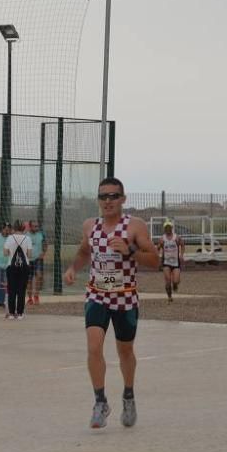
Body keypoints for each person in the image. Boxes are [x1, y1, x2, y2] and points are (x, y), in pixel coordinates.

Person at [63, 178, 160, 429]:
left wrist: (130, 251)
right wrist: (73, 268)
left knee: (125, 350)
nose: (107, 201)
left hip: (125, 296)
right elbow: (85, 251)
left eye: (113, 196)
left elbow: (154, 260)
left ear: (123, 199)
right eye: (103, 197)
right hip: (97, 294)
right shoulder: (90, 226)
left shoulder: (134, 226)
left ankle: (128, 396)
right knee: (94, 347)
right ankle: (100, 402)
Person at [3, 219, 34, 320]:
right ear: (24, 228)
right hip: (24, 267)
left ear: (14, 228)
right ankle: (20, 313)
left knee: (11, 290)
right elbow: (29, 255)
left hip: (11, 267)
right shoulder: (28, 238)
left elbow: (5, 253)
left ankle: (11, 313)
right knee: (22, 290)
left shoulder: (9, 238)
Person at [157, 219, 184, 302]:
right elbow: (158, 248)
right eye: (166, 227)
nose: (168, 229)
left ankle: (175, 285)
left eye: (169, 227)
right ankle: (169, 296)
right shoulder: (162, 239)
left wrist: (181, 255)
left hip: (176, 262)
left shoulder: (177, 238)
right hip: (166, 262)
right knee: (168, 281)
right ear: (164, 229)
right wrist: (158, 256)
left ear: (172, 228)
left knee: (176, 281)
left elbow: (182, 245)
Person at [26, 219, 47, 305]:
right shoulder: (26, 235)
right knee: (29, 280)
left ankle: (36, 296)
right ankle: (30, 298)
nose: (37, 228)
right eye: (35, 226)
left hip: (38, 258)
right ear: (30, 227)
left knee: (39, 275)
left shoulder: (41, 234)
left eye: (37, 226)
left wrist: (43, 252)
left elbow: (45, 244)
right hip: (28, 259)